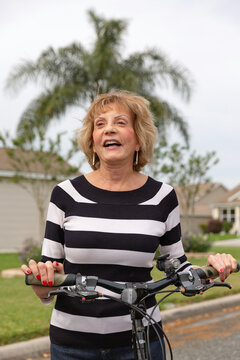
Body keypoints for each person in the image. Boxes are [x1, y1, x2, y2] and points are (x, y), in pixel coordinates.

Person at [21, 90, 237, 360]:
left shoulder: (163, 197)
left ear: (138, 139)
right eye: (100, 124)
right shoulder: (65, 194)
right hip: (72, 344)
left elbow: (178, 266)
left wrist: (213, 267)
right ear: (93, 141)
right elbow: (49, 276)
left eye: (120, 122)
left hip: (142, 341)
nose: (109, 129)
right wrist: (40, 279)